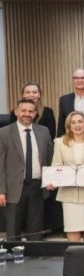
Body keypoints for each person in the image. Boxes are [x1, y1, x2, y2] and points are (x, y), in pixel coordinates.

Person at [0, 98, 53, 241]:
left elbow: (49, 159)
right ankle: (13, 259)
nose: (27, 114)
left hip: (38, 187)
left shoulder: (44, 131)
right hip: (14, 189)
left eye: (31, 111)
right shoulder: (4, 133)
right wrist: (1, 191)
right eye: (23, 110)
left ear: (35, 113)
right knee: (13, 232)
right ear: (16, 111)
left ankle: (35, 262)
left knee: (35, 233)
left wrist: (51, 180)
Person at [48, 111, 84, 242]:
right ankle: (74, 260)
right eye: (73, 123)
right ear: (69, 126)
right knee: (72, 228)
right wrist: (52, 181)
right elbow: (56, 165)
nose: (77, 125)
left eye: (80, 122)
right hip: (69, 195)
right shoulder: (60, 142)